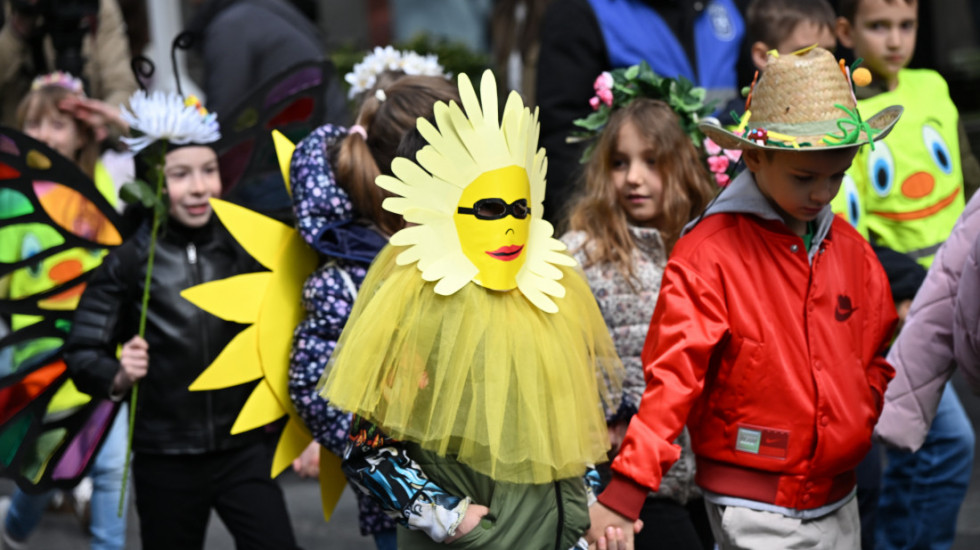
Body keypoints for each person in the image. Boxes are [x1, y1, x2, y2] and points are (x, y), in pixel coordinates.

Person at [587, 46, 902, 549]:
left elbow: (877, 349)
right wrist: (626, 492)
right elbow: (672, 380)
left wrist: (859, 413)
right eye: (804, 177)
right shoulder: (708, 254)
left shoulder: (852, 251)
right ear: (753, 157)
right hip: (752, 504)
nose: (823, 192)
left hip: (839, 496)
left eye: (837, 174)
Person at [321, 69, 626, 549]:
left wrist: (586, 515)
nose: (509, 226)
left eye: (520, 208)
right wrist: (452, 520)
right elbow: (370, 451)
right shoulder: (416, 310)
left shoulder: (543, 293)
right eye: (487, 208)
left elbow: (566, 434)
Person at [62, 90, 299, 550]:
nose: (199, 187)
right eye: (180, 175)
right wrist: (118, 373)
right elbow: (82, 350)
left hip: (243, 448)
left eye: (209, 171)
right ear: (152, 180)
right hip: (165, 456)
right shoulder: (130, 261)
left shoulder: (243, 247)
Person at [287, 71, 459, 550]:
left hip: (486, 494)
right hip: (407, 513)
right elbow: (317, 390)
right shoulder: (349, 280)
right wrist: (412, 489)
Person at [835, 2, 978, 548]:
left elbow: (965, 174)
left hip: (956, 288)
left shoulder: (932, 85)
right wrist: (896, 290)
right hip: (898, 306)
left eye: (906, 25)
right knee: (944, 445)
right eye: (878, 26)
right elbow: (848, 222)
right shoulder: (843, 111)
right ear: (846, 31)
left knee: (920, 448)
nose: (895, 40)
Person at [560, 96, 715, 549]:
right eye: (619, 163)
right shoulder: (581, 253)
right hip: (625, 476)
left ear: (682, 166)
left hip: (703, 475)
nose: (633, 177)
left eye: (652, 161)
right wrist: (604, 415)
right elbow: (559, 357)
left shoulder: (707, 248)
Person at [0, 72, 129, 550]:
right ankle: (16, 526)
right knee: (50, 461)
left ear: (81, 134)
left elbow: (160, 156)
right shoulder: (13, 195)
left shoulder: (108, 181)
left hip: (103, 349)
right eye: (33, 124)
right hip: (42, 353)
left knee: (112, 464)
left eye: (56, 124)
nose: (43, 135)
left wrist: (113, 120)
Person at [535, 0, 747, 224]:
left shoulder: (731, 7)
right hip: (626, 224)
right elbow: (564, 139)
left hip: (727, 214)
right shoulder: (581, 11)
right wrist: (590, 228)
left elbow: (755, 105)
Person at [0, 0, 137, 127]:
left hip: (93, 136)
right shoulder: (10, 7)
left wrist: (99, 121)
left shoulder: (97, 5)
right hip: (18, 135)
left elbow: (122, 85)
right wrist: (18, 28)